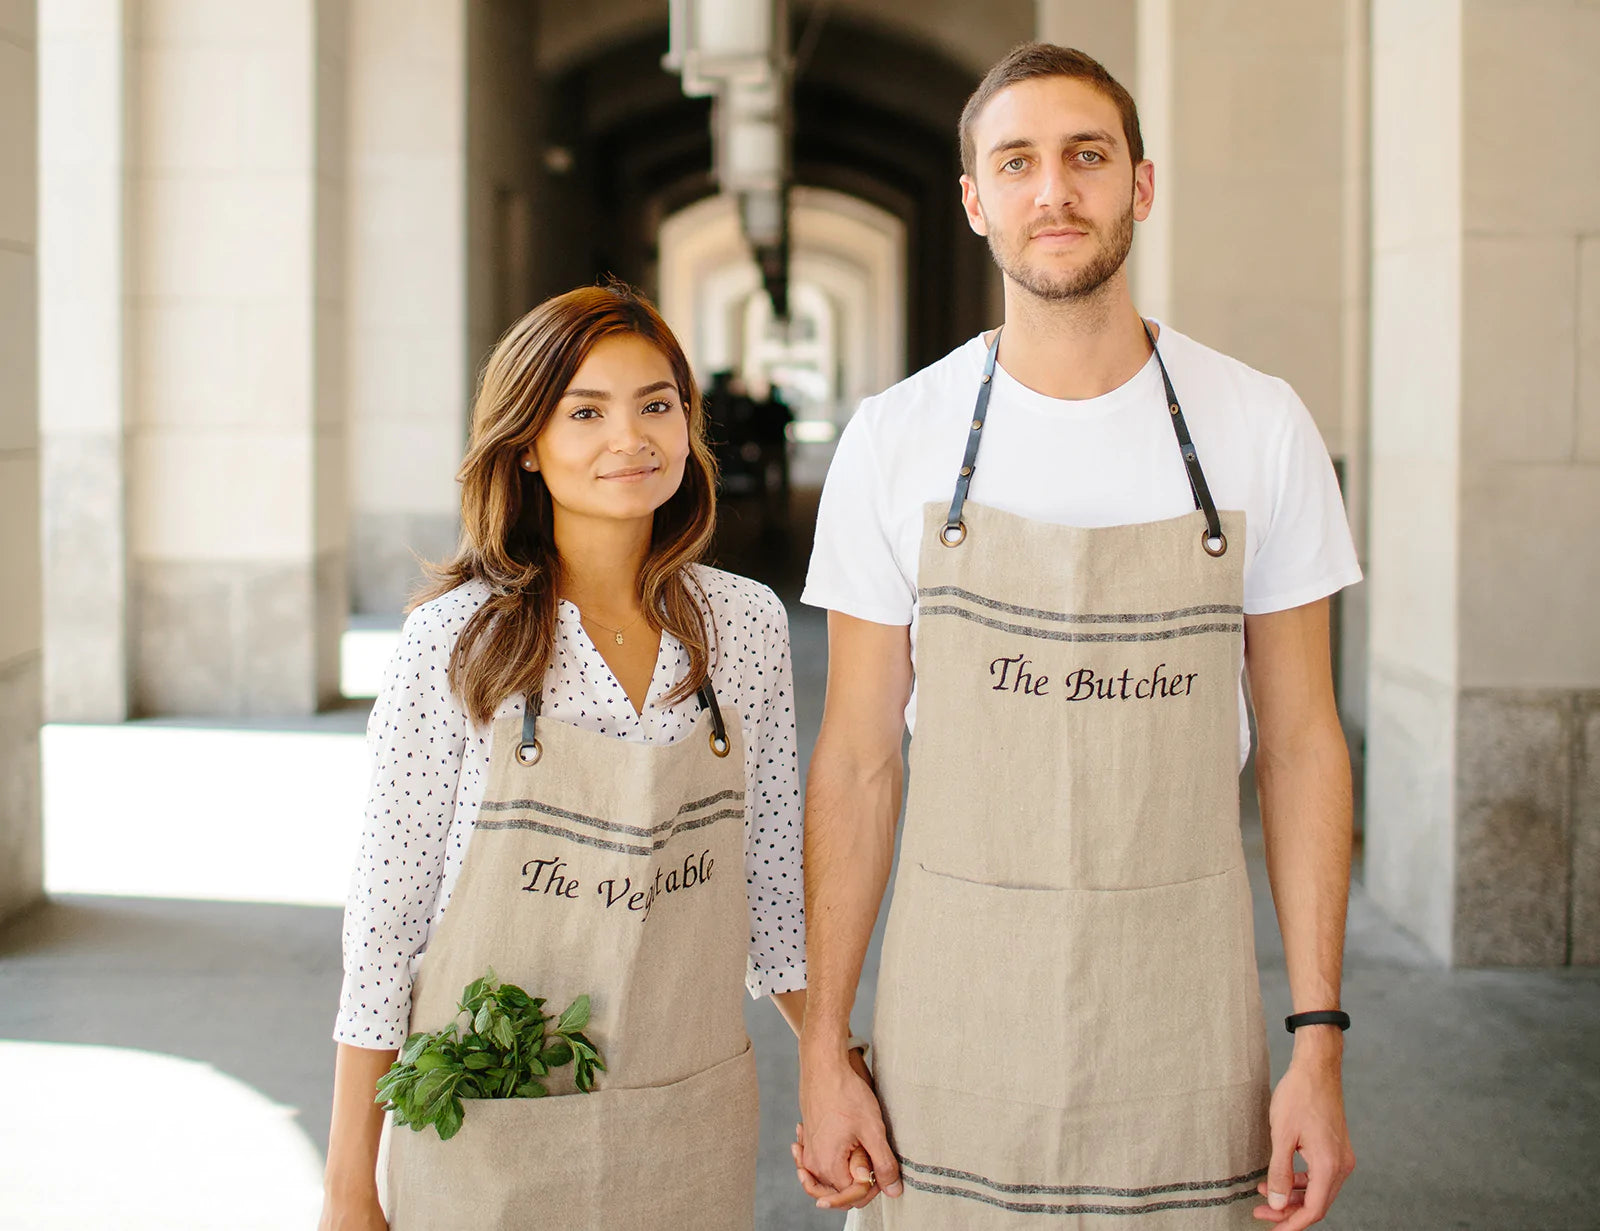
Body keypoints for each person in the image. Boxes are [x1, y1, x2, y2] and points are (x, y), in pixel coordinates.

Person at [793, 43, 1360, 1231]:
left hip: (1182, 1009)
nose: (1053, 190)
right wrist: (824, 1047)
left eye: (1085, 156)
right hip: (952, 1012)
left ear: (1139, 185)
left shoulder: (1257, 424)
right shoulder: (896, 438)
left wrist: (1317, 1042)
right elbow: (855, 758)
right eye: (1017, 162)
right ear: (975, 201)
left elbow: (1304, 743)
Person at [318, 284, 807, 1231]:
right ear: (526, 446)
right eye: (586, 412)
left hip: (685, 1112)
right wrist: (348, 1187)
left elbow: (771, 883)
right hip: (488, 1123)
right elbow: (386, 922)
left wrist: (828, 1059)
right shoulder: (455, 640)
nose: (630, 437)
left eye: (656, 404)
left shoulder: (745, 625)